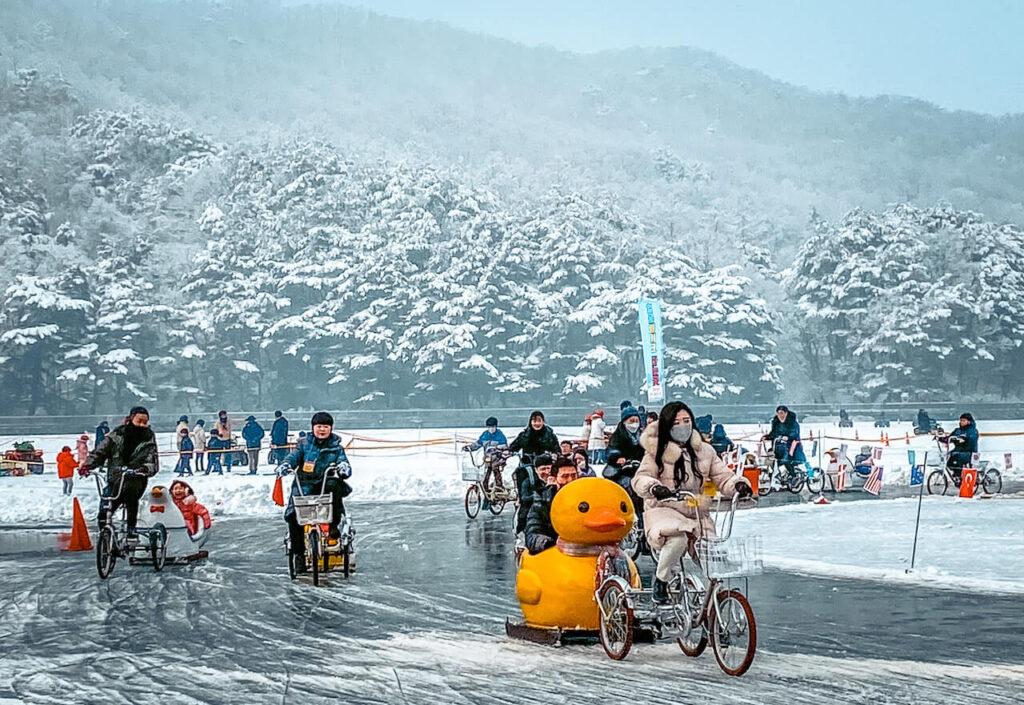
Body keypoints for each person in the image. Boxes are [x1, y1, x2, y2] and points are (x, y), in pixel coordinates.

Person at [633, 401, 752, 603]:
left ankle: (713, 606)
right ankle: (661, 581)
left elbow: (723, 476)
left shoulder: (705, 451)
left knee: (711, 554)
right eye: (676, 422)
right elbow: (640, 478)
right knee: (677, 538)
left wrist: (738, 485)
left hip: (696, 510)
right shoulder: (656, 453)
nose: (682, 426)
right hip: (664, 509)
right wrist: (655, 488)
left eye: (686, 421)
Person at [277, 412, 353, 572]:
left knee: (335, 487)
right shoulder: (303, 444)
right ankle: (298, 555)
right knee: (294, 516)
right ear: (313, 428)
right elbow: (293, 457)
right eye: (319, 426)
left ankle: (333, 527)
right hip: (303, 484)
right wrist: (285, 465)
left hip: (325, 483)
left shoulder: (336, 447)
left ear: (331, 428)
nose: (322, 430)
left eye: (326, 426)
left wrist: (343, 468)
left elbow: (342, 460)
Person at [80, 406, 159, 537]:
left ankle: (131, 530)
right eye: (139, 420)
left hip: (135, 479)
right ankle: (105, 536)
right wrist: (87, 465)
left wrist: (143, 469)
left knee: (131, 498)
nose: (142, 425)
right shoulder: (116, 435)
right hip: (115, 478)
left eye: (145, 422)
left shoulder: (149, 439)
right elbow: (100, 452)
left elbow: (152, 461)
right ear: (131, 418)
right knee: (105, 506)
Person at [524, 456, 579, 554]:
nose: (570, 480)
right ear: (554, 479)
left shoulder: (585, 498)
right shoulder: (542, 502)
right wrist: (552, 544)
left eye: (574, 476)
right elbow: (532, 535)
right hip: (555, 555)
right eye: (565, 476)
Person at [463, 416, 509, 491]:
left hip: (498, 458)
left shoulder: (500, 435)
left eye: (493, 427)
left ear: (496, 426)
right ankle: (486, 491)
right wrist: (469, 448)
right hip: (488, 459)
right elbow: (478, 443)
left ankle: (499, 487)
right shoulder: (485, 435)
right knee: (485, 476)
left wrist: (498, 448)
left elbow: (504, 446)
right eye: (489, 427)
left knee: (495, 470)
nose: (491, 429)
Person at [515, 453, 555, 537]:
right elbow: (524, 498)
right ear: (536, 470)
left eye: (549, 468)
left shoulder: (557, 479)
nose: (547, 472)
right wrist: (545, 490)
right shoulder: (529, 482)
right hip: (530, 520)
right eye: (543, 469)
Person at [762, 405, 807, 476]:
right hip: (778, 446)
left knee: (786, 460)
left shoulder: (793, 422)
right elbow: (774, 433)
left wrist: (788, 437)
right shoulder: (776, 423)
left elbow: (795, 433)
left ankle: (793, 475)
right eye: (778, 413)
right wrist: (767, 437)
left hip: (791, 445)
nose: (780, 415)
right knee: (772, 459)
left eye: (782, 413)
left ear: (786, 413)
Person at [943, 412, 979, 481]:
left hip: (969, 452)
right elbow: (950, 437)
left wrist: (965, 439)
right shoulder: (957, 430)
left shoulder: (973, 431)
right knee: (949, 462)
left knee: (959, 459)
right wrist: (942, 439)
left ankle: (960, 475)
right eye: (961, 420)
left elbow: (972, 440)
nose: (961, 422)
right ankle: (958, 475)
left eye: (963, 420)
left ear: (968, 421)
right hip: (958, 451)